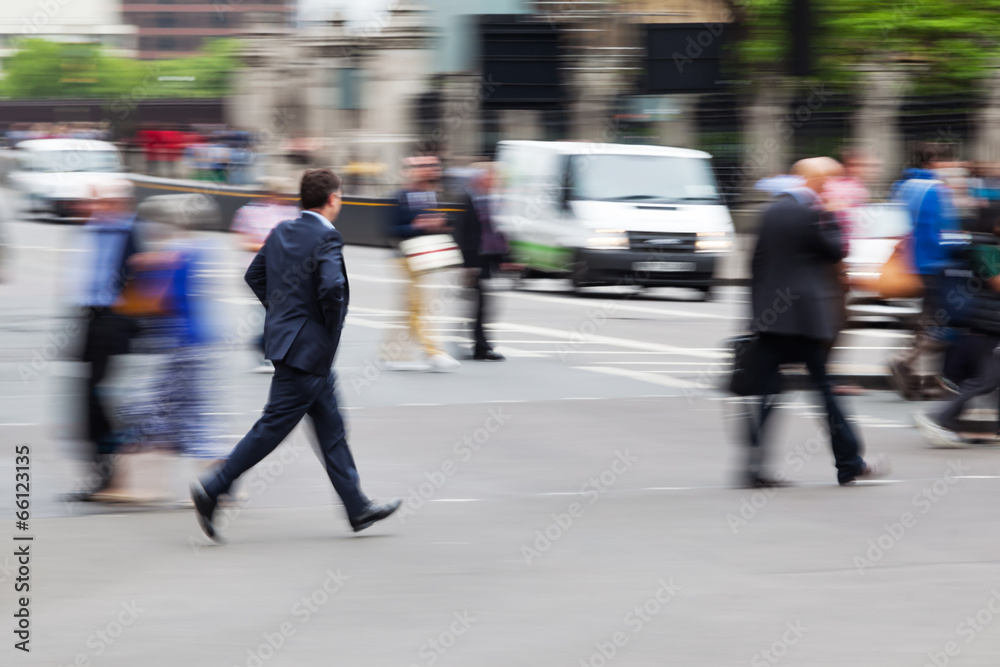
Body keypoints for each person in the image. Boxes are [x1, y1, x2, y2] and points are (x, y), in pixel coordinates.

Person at [191, 169, 401, 539]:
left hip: (294, 348)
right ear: (333, 199)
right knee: (271, 428)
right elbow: (333, 288)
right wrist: (326, 331)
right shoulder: (327, 237)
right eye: (341, 196)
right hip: (309, 353)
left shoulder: (281, 231)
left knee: (332, 429)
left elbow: (254, 277)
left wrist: (283, 315)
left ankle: (357, 507)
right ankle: (214, 487)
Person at [741, 157, 888, 488]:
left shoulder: (770, 211)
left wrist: (757, 314)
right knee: (824, 391)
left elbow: (756, 264)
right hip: (804, 319)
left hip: (772, 318)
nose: (833, 187)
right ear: (816, 181)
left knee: (767, 392)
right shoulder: (813, 213)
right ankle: (850, 463)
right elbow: (836, 250)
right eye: (830, 180)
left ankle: (753, 466)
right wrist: (835, 213)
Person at [68, 181, 142, 501]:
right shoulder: (93, 230)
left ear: (122, 203)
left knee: (102, 400)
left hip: (115, 323)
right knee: (88, 399)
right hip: (90, 320)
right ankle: (103, 473)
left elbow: (142, 284)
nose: (98, 208)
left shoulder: (133, 233)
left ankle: (109, 472)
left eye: (107, 202)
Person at [915, 202, 1000, 446]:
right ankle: (939, 418)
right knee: (987, 380)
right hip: (986, 325)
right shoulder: (985, 248)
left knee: (988, 378)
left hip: (987, 326)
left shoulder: (988, 246)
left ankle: (947, 419)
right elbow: (996, 283)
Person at [888, 143, 960, 399]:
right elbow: (944, 233)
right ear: (934, 163)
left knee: (929, 318)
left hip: (912, 264)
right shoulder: (936, 190)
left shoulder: (902, 187)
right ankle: (907, 362)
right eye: (948, 162)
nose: (952, 167)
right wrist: (963, 244)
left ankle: (921, 376)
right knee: (945, 322)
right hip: (936, 264)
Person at [384, 155, 461, 372]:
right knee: (418, 306)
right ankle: (433, 352)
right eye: (422, 167)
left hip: (425, 255)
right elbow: (390, 230)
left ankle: (390, 352)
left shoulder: (430, 195)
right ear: (409, 171)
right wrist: (417, 225)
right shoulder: (399, 196)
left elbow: (436, 223)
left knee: (413, 307)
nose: (429, 171)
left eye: (432, 167)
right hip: (406, 256)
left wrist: (440, 224)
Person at [231, 178, 301, 373]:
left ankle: (266, 346)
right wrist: (269, 247)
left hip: (283, 271)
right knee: (268, 312)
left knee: (278, 313)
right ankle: (265, 349)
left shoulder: (291, 213)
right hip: (258, 271)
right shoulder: (248, 212)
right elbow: (244, 242)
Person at [455, 163, 506, 361]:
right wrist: (468, 264)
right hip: (475, 259)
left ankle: (479, 344)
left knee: (482, 305)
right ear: (478, 179)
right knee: (480, 305)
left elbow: (498, 231)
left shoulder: (492, 199)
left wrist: (505, 258)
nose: (493, 180)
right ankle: (481, 346)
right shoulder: (469, 199)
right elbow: (464, 233)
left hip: (488, 258)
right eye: (489, 177)